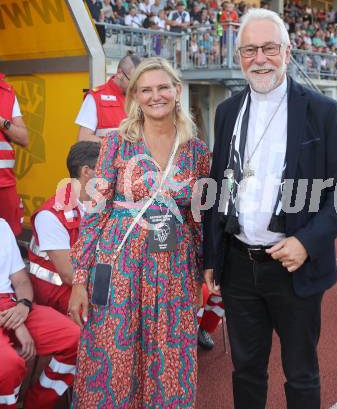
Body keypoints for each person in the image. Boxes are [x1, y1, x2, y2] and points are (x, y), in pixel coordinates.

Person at [203, 8, 337, 409]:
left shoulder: (322, 111)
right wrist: (212, 255)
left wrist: (306, 242)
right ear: (239, 57)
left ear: (287, 51)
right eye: (250, 49)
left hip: (294, 267)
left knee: (301, 372)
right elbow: (218, 186)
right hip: (238, 267)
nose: (260, 58)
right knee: (246, 372)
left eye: (269, 47)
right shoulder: (227, 112)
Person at [68, 57, 210, 408]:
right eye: (145, 89)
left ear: (177, 91)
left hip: (173, 271)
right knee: (113, 354)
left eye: (163, 87)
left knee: (169, 356)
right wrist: (80, 279)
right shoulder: (116, 143)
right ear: (135, 96)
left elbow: (198, 219)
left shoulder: (196, 151)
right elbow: (95, 214)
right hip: (118, 267)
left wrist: (198, 274)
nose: (155, 95)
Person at [0, 218, 79, 409]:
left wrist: (24, 305)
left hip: (13, 303)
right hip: (8, 311)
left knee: (75, 338)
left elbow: (21, 280)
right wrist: (17, 324)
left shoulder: (2, 225)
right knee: (8, 365)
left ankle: (37, 403)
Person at [28, 141, 100, 315]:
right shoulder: (50, 215)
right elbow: (70, 275)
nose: (113, 175)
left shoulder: (98, 203)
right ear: (86, 171)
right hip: (59, 296)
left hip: (86, 286)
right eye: (106, 168)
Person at [75, 53, 141, 142]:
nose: (136, 86)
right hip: (107, 155)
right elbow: (84, 137)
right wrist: (114, 147)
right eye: (132, 81)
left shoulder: (139, 96)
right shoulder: (95, 97)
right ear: (120, 74)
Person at [0, 74, 29, 237]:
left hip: (4, 183)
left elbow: (24, 138)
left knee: (9, 236)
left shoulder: (7, 92)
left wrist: (2, 123)